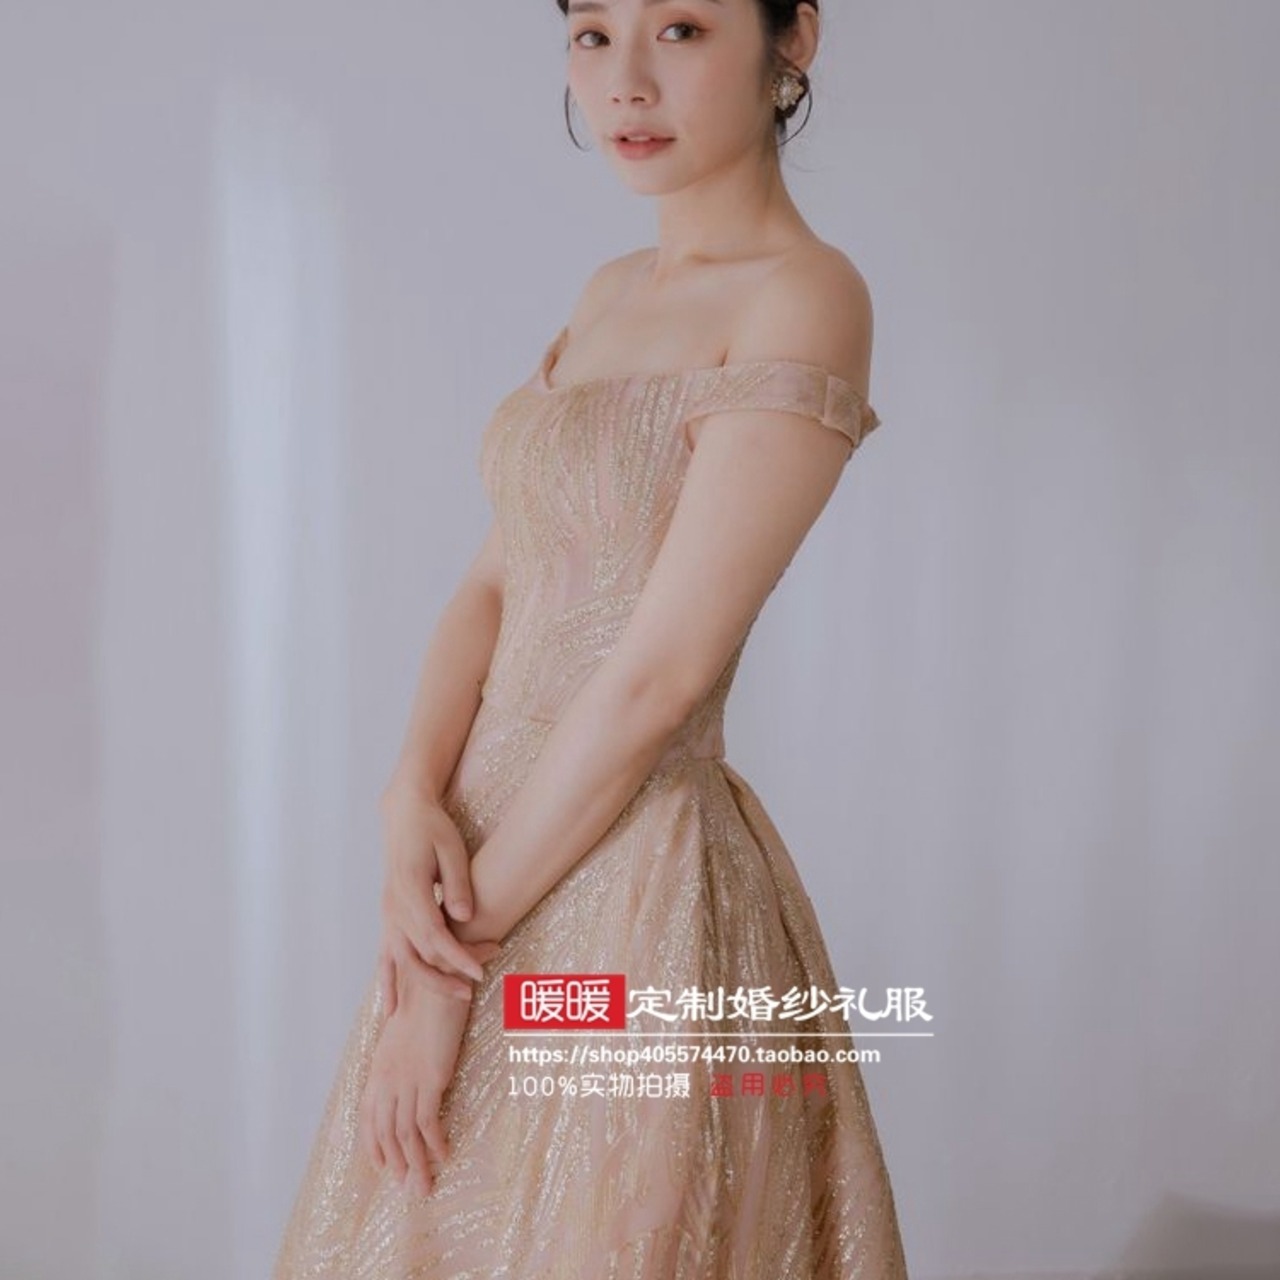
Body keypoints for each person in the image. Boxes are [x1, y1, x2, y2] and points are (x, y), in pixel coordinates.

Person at [273, 0, 909, 1275]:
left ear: (792, 39)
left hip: (625, 876)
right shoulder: (609, 292)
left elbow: (658, 677)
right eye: (590, 33)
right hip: (477, 855)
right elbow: (492, 581)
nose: (622, 81)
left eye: (679, 29)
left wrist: (451, 970)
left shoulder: (805, 295)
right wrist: (409, 794)